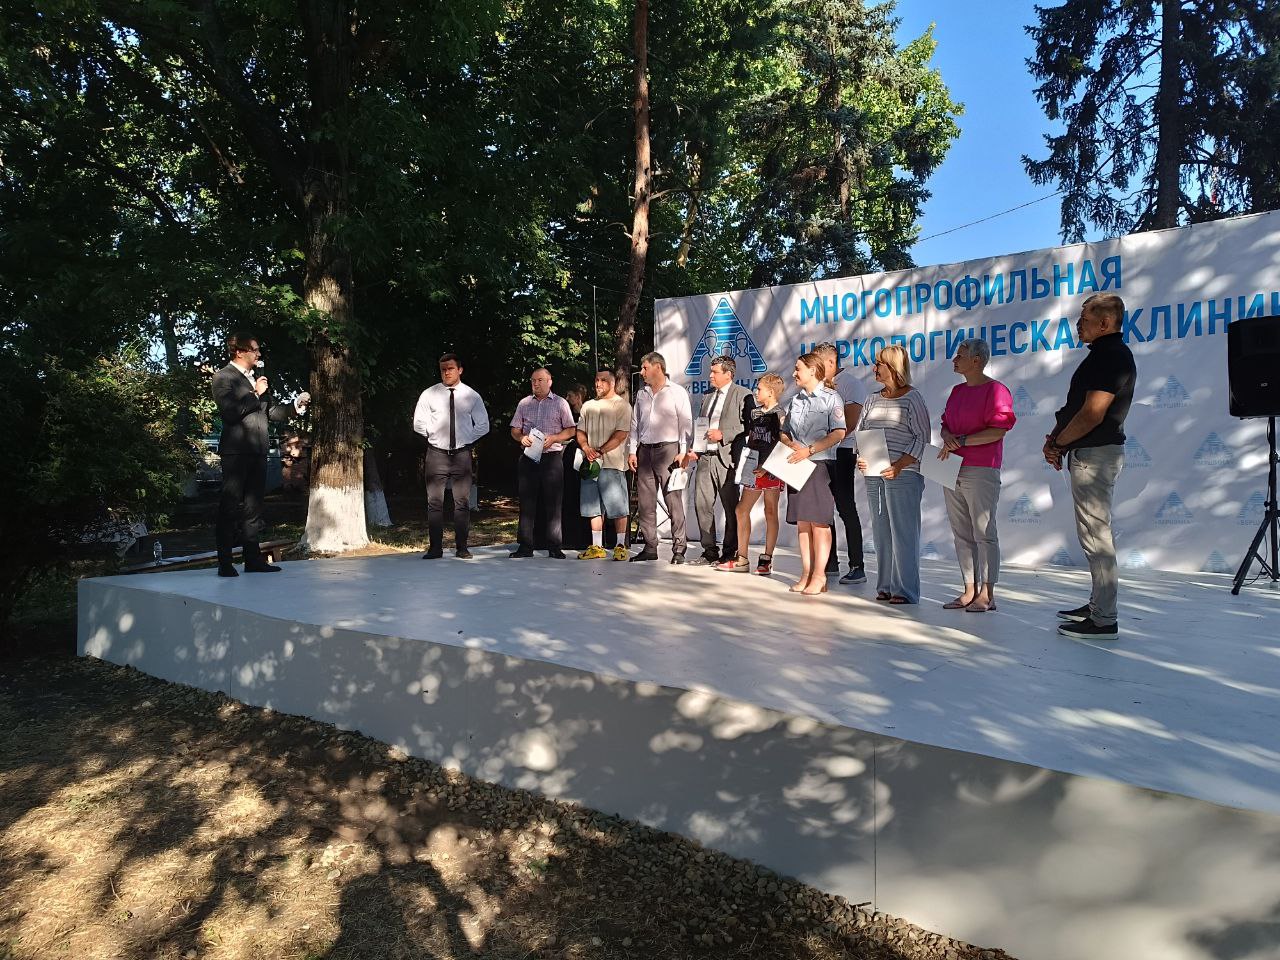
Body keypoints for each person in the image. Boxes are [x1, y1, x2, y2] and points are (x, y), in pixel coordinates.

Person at [1044, 293, 1136, 641]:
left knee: (1096, 537)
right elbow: (1076, 410)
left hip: (1094, 455)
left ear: (1105, 323)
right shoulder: (1103, 354)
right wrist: (1056, 439)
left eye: (1083, 319)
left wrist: (1058, 444)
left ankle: (1104, 619)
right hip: (1089, 452)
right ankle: (1099, 605)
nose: (1077, 325)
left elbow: (1092, 413)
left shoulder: (1111, 356)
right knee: (1092, 536)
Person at [211, 332, 311, 578]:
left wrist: (295, 406)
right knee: (230, 506)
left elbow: (270, 412)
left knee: (254, 507)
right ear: (239, 352)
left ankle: (253, 560)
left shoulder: (256, 379)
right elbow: (230, 413)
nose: (258, 354)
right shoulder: (223, 377)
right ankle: (225, 563)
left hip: (258, 450)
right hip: (236, 452)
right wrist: (254, 394)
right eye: (254, 350)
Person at [938, 338, 1017, 613]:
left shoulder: (996, 390)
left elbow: (998, 430)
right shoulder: (957, 391)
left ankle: (987, 593)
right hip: (951, 466)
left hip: (981, 468)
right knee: (961, 532)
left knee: (984, 532)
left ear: (976, 360)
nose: (954, 360)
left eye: (960, 356)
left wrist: (961, 441)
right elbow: (945, 425)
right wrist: (948, 436)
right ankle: (969, 590)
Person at [857, 344, 930, 604]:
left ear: (893, 367)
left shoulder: (913, 398)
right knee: (881, 532)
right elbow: (861, 432)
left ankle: (905, 590)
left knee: (903, 532)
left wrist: (899, 465)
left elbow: (922, 438)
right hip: (875, 475)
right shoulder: (871, 399)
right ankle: (886, 585)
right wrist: (861, 457)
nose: (874, 368)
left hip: (903, 473)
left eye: (879, 364)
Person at [778, 352, 846, 595]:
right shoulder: (794, 401)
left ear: (813, 370)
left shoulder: (831, 398)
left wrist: (810, 450)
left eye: (798, 369)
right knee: (803, 522)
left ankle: (820, 575)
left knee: (819, 522)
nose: (794, 373)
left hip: (820, 465)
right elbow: (784, 432)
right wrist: (790, 443)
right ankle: (806, 573)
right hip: (796, 465)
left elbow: (839, 432)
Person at [412, 353, 490, 559]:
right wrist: (433, 434)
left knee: (462, 503)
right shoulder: (429, 394)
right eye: (443, 369)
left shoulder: (471, 396)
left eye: (450, 369)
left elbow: (483, 425)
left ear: (460, 370)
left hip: (461, 454)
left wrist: (466, 438)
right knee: (434, 503)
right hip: (436, 454)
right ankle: (435, 548)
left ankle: (462, 547)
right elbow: (418, 423)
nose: (446, 372)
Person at [628, 351, 694, 563]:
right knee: (646, 502)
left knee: (672, 499)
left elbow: (685, 423)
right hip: (645, 451)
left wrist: (683, 450)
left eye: (645, 368)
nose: (642, 372)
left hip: (668, 450)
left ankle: (679, 548)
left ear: (658, 367)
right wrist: (632, 450)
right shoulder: (642, 393)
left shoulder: (676, 392)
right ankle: (650, 547)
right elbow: (635, 424)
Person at [717, 373, 786, 575]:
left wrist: (768, 466)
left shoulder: (780, 414)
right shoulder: (755, 413)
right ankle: (742, 558)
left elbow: (782, 443)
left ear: (770, 392)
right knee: (741, 510)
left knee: (770, 510)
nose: (756, 392)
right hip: (753, 466)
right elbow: (752, 438)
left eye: (759, 389)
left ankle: (767, 558)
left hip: (771, 469)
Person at [690, 355, 752, 565]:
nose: (710, 376)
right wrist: (696, 449)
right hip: (705, 458)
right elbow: (702, 424)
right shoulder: (707, 395)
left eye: (715, 372)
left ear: (728, 374)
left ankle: (729, 551)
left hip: (726, 459)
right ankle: (709, 550)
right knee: (702, 505)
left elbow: (748, 427)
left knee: (731, 507)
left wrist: (723, 434)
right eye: (711, 371)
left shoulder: (743, 394)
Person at [815, 342, 867, 585]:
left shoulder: (851, 384)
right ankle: (830, 561)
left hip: (843, 452)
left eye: (818, 364)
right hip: (822, 453)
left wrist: (821, 437)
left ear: (831, 362)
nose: (814, 369)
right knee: (824, 508)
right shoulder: (818, 386)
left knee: (846, 507)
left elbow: (850, 423)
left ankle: (857, 565)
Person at [511, 368, 577, 558]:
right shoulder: (524, 403)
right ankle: (525, 546)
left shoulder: (560, 403)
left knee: (553, 504)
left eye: (540, 380)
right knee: (527, 503)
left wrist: (555, 438)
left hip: (551, 457)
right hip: (529, 458)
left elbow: (571, 430)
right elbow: (514, 429)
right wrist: (521, 437)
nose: (536, 383)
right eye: (533, 380)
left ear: (550, 382)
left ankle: (554, 546)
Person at [576, 371, 632, 561]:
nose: (598, 384)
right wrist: (586, 448)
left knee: (618, 507)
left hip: (612, 463)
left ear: (613, 383)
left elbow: (621, 434)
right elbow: (580, 431)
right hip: (591, 464)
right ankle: (597, 546)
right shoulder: (588, 405)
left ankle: (620, 546)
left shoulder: (622, 405)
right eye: (596, 380)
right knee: (592, 506)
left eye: (603, 380)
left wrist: (600, 451)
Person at [559, 383, 591, 552]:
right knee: (569, 495)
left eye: (570, 396)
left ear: (578, 397)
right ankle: (569, 536)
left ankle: (584, 537)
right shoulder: (567, 415)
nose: (567, 399)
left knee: (582, 495)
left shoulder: (588, 413)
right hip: (569, 457)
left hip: (583, 457)